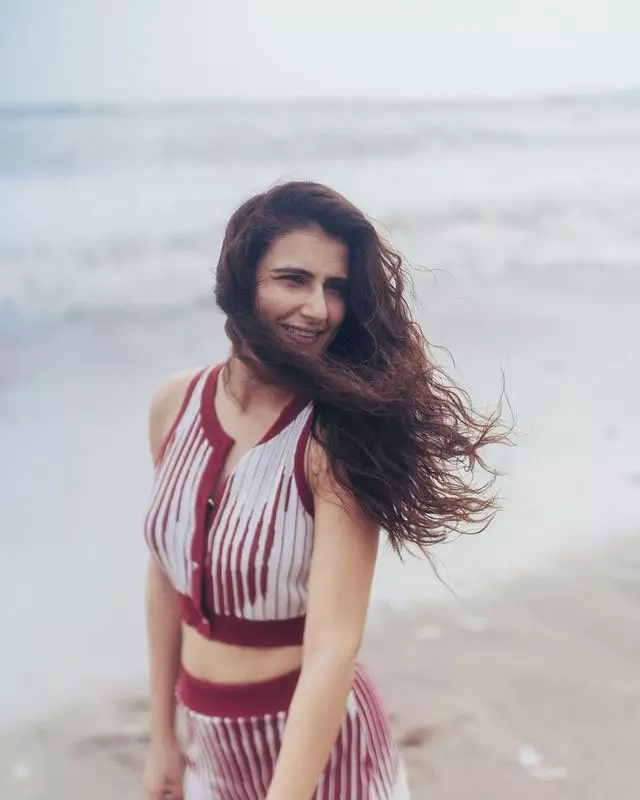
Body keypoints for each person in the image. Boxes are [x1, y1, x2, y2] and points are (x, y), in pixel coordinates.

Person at [142, 181, 503, 799]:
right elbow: (163, 574)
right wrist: (162, 738)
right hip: (211, 755)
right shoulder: (174, 404)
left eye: (335, 288)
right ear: (240, 278)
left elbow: (334, 648)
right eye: (294, 279)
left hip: (326, 760)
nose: (317, 309)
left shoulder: (335, 442)